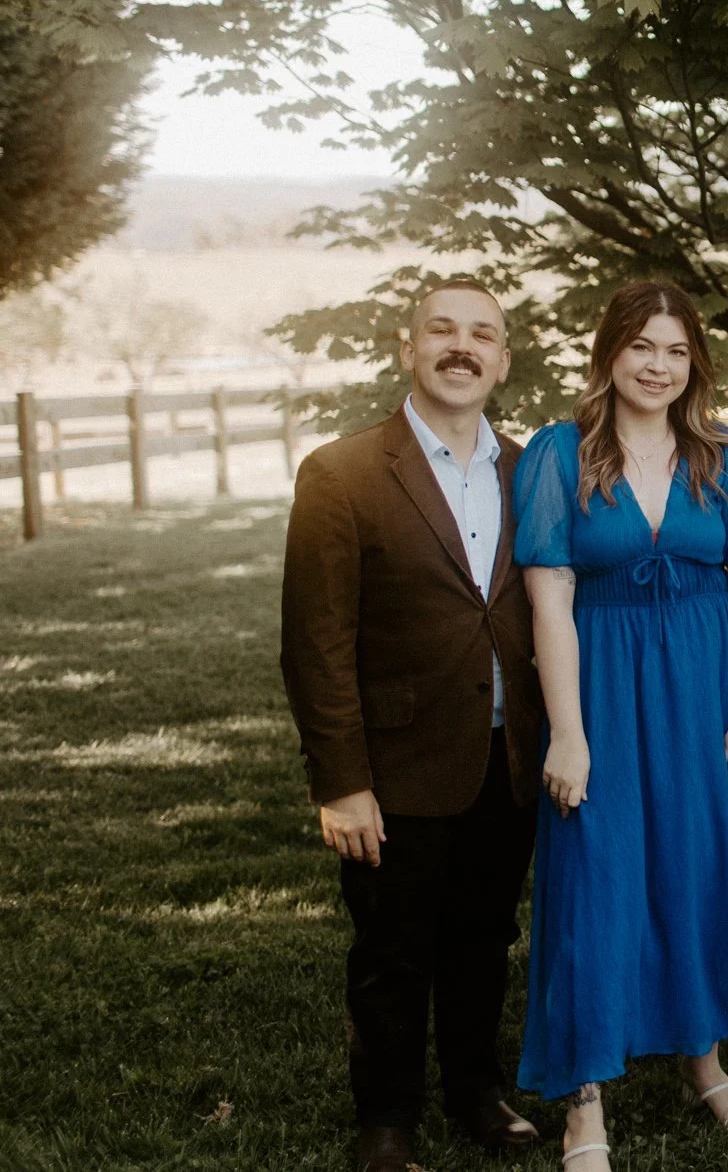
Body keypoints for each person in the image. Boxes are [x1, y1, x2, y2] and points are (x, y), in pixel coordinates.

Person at [512, 282, 728, 1170]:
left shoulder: (727, 460)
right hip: (605, 688)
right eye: (642, 347)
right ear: (609, 351)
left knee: (698, 868)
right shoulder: (558, 455)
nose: (658, 365)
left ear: (695, 362)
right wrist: (567, 731)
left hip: (708, 694)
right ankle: (585, 1097)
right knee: (598, 874)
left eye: (676, 350)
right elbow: (551, 600)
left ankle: (704, 1056)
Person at [280, 280, 546, 1172]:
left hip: (507, 759)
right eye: (443, 330)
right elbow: (316, 646)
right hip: (395, 769)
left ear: (504, 359)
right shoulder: (343, 472)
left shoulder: (530, 469)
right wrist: (342, 781)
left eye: (482, 334)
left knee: (484, 938)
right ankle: (387, 1119)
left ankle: (475, 1090)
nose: (461, 347)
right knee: (393, 953)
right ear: (409, 347)